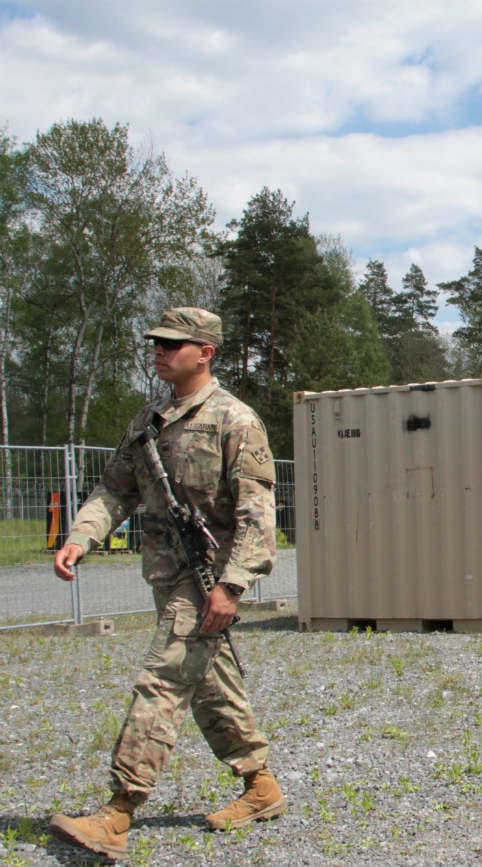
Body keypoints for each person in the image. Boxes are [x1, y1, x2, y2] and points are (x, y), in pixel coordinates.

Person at [49, 307, 284, 861]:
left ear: (205, 351)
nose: (159, 351)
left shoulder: (236, 420)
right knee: (209, 685)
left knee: (164, 680)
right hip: (166, 574)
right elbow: (115, 489)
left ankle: (118, 812)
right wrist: (82, 536)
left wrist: (231, 587)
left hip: (207, 581)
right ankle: (260, 786)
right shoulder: (149, 420)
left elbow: (257, 517)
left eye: (172, 344)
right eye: (155, 342)